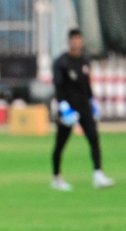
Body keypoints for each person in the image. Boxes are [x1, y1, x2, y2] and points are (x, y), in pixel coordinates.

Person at [51, 28, 115, 191]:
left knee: (94, 138)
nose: (76, 43)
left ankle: (98, 174)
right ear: (69, 42)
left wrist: (93, 102)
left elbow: (87, 85)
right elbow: (58, 87)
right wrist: (63, 108)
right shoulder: (61, 63)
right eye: (73, 40)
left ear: (82, 41)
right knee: (60, 143)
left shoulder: (85, 61)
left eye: (79, 39)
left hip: (84, 107)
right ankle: (57, 177)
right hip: (68, 108)